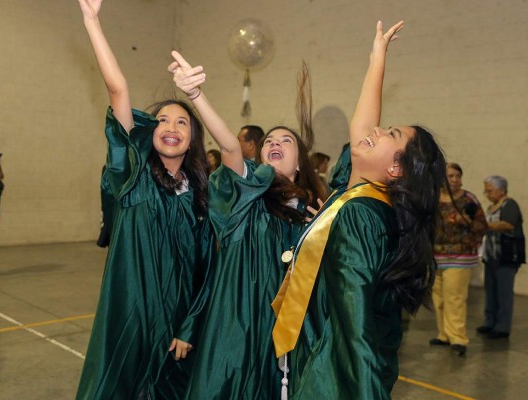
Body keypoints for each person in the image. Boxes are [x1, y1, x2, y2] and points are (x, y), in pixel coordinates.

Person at [272, 21, 447, 399]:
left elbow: (356, 323)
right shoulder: (367, 196)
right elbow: (363, 128)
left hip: (334, 369)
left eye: (390, 134)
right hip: (327, 347)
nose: (377, 131)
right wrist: (377, 59)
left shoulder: (361, 215)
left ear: (396, 169)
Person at [169, 52, 327, 399]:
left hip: (283, 335)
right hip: (235, 325)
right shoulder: (247, 195)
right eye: (270, 140)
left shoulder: (313, 212)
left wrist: (320, 236)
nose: (275, 143)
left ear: (300, 161)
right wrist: (196, 96)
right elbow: (228, 147)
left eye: (286, 141)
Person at [76, 1, 213, 399]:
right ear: (148, 134)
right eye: (163, 121)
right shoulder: (131, 179)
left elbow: (206, 271)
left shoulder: (200, 200)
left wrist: (189, 326)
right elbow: (118, 89)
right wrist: (92, 22)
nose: (171, 127)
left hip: (175, 338)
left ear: (192, 139)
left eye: (182, 122)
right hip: (128, 328)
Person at [429, 163, 487, 356]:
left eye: (457, 176)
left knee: (455, 298)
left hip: (459, 257)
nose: (454, 179)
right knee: (439, 299)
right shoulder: (431, 199)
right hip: (435, 256)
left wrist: (467, 222)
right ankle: (444, 334)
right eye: (450, 176)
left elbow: (482, 225)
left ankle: (458, 339)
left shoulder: (468, 199)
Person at [477, 175, 525, 339]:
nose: (487, 194)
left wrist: (486, 225)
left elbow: (508, 224)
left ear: (501, 190)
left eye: (489, 191)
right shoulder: (491, 208)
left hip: (506, 256)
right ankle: (489, 321)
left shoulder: (509, 205)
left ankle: (503, 326)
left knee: (504, 292)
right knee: (490, 291)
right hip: (491, 256)